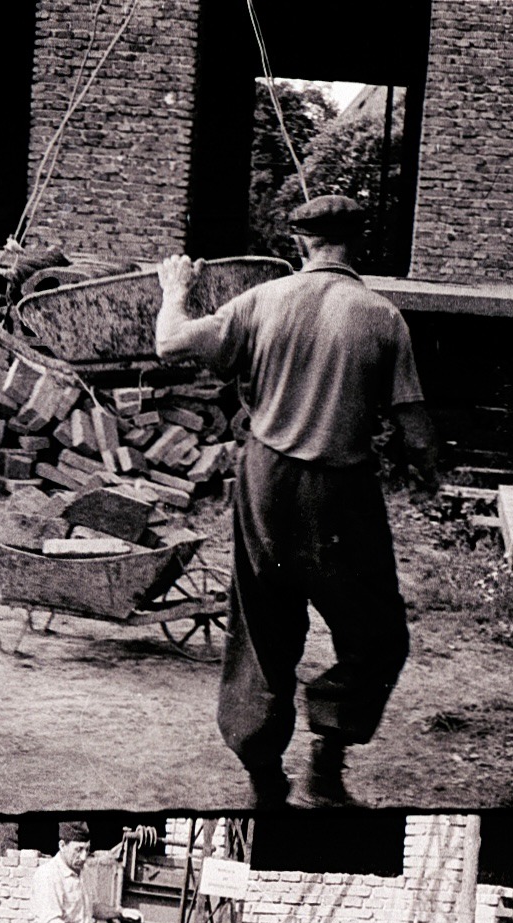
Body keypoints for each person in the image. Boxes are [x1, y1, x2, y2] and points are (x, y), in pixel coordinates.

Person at [154, 195, 439, 808]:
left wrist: (175, 287)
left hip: (264, 483)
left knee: (261, 627)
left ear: (300, 243)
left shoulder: (263, 301)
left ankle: (263, 780)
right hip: (340, 492)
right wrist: (428, 476)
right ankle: (325, 765)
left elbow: (170, 344)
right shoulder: (383, 316)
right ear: (358, 243)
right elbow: (417, 435)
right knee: (377, 635)